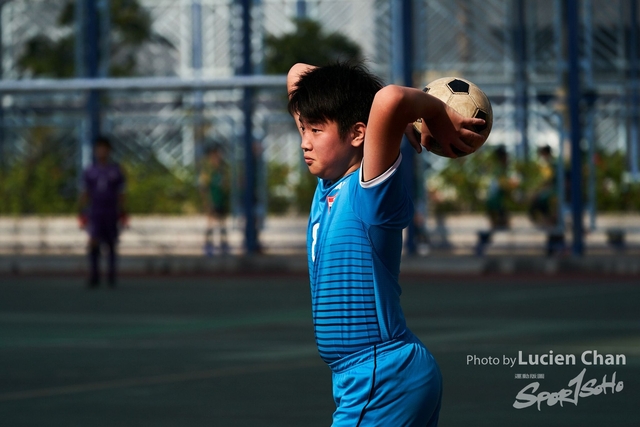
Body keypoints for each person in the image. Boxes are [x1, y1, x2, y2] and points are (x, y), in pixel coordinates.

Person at [287, 62, 486, 426]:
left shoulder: (371, 195)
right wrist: (375, 107)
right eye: (303, 128)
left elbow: (390, 98)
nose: (304, 140)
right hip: (369, 375)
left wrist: (431, 112)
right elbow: (298, 73)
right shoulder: (327, 185)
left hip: (381, 378)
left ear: (359, 134)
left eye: (316, 129)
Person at [79, 136, 127, 288]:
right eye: (99, 148)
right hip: (95, 211)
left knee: (111, 243)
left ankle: (111, 276)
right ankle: (94, 275)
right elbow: (85, 192)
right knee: (93, 242)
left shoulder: (116, 170)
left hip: (111, 211)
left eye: (104, 148)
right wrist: (81, 212)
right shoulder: (90, 171)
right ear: (95, 151)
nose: (102, 151)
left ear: (109, 150)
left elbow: (121, 193)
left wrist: (123, 211)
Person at [199, 143, 230, 256]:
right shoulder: (208, 170)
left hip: (221, 198)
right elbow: (204, 187)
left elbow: (226, 184)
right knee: (211, 223)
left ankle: (224, 244)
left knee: (222, 222)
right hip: (212, 198)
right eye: (215, 155)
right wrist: (207, 201)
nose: (217, 158)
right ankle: (208, 245)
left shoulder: (223, 168)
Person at [485, 145, 518, 230]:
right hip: (495, 202)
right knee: (500, 223)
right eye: (506, 156)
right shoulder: (499, 169)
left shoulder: (501, 169)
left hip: (497, 202)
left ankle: (499, 222)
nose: (508, 159)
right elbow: (503, 185)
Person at [528, 144, 558, 227]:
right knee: (537, 198)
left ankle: (549, 219)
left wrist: (539, 190)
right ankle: (547, 219)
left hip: (554, 190)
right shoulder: (548, 165)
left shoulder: (552, 165)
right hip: (551, 189)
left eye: (543, 153)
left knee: (540, 198)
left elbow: (549, 182)